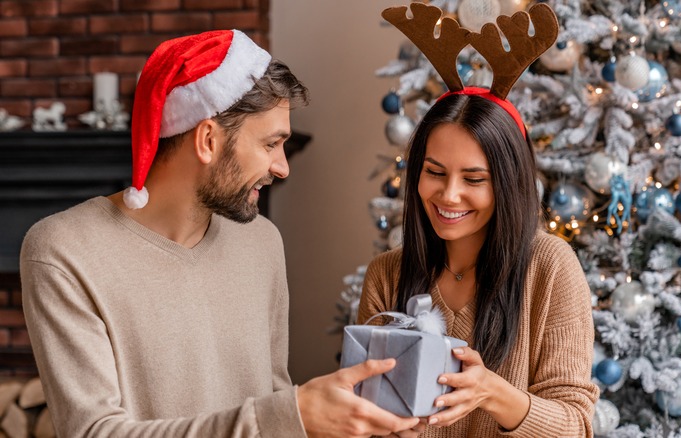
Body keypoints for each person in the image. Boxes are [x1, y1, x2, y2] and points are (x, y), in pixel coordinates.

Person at [20, 29, 422, 438]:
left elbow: (273, 407)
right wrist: (294, 414)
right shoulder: (64, 250)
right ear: (208, 140)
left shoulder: (261, 242)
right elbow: (94, 433)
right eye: (271, 144)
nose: (283, 167)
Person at [357, 90, 600, 437]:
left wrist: (491, 392)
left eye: (474, 179)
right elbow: (362, 412)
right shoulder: (386, 274)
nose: (449, 194)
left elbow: (575, 426)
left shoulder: (550, 267)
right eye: (435, 172)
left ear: (507, 182)